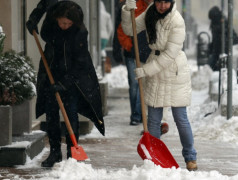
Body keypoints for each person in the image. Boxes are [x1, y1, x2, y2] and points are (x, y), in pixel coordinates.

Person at [26, 1, 105, 167]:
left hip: (72, 77)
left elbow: (80, 63)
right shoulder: (52, 19)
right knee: (51, 113)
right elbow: (43, 5)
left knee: (71, 113)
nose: (65, 26)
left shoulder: (80, 32)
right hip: (51, 69)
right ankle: (55, 153)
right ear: (56, 19)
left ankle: (72, 152)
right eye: (62, 22)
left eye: (69, 24)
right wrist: (33, 18)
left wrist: (63, 84)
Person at [121, 0, 198, 171]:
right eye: (159, 2)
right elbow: (129, 29)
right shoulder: (151, 13)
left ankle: (190, 157)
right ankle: (154, 158)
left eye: (166, 2)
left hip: (174, 71)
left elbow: (170, 54)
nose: (162, 6)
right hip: (154, 66)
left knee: (180, 118)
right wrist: (128, 10)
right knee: (153, 121)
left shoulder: (177, 21)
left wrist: (146, 70)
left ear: (172, 2)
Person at [113, 0, 152, 126]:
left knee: (144, 84)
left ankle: (141, 114)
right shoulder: (133, 6)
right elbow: (122, 29)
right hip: (132, 53)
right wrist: (128, 45)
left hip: (147, 52)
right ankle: (136, 115)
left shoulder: (155, 8)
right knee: (135, 84)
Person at [208, 6, 238, 71]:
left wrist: (224, 43)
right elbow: (215, 39)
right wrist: (211, 46)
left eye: (212, 19)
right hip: (216, 53)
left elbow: (236, 39)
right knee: (211, 70)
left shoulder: (223, 24)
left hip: (222, 54)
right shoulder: (216, 23)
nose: (211, 21)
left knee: (214, 70)